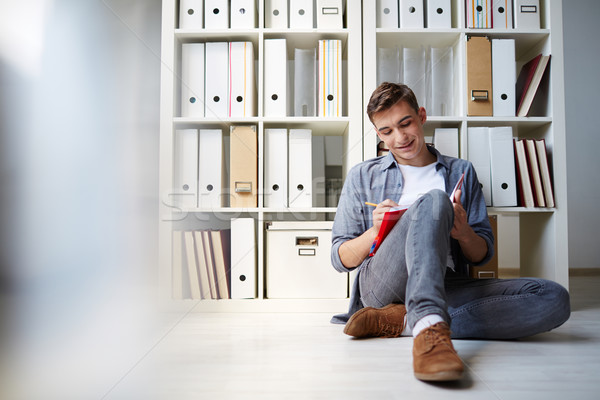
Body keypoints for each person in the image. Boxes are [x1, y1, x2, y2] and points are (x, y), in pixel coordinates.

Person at [330, 82, 571, 382]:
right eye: (386, 131)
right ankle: (429, 327)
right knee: (433, 199)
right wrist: (374, 232)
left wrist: (463, 232)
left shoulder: (462, 172)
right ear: (378, 133)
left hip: (446, 283)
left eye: (405, 123)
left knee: (553, 298)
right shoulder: (362, 176)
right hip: (382, 285)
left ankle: (402, 320)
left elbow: (481, 254)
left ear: (421, 116)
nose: (400, 137)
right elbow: (340, 258)